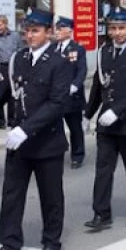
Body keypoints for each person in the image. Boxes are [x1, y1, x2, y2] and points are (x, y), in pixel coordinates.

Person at [0, 9, 68, 250]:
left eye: (36, 31)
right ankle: (10, 246)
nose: (30, 36)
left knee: (50, 196)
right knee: (11, 195)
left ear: (48, 32)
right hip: (19, 142)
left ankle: (51, 242)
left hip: (46, 142)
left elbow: (57, 103)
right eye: (27, 31)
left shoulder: (59, 62)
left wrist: (26, 129)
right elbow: (3, 91)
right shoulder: (19, 58)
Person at [84, 7, 126, 230]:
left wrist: (118, 111)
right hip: (107, 123)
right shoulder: (104, 52)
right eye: (112, 28)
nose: (117, 33)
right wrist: (88, 114)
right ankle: (101, 213)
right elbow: (98, 84)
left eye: (121, 28)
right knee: (103, 169)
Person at [53, 17, 87, 169]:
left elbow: (82, 70)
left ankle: (77, 155)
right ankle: (58, 150)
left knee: (75, 127)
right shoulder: (53, 48)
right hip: (56, 95)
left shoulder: (77, 49)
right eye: (57, 28)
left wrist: (75, 86)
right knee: (54, 126)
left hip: (72, 96)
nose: (57, 31)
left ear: (70, 31)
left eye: (61, 28)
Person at [0, 15, 24, 130]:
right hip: (2, 67)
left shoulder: (15, 36)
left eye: (0, 25)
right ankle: (0, 121)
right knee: (0, 95)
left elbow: (21, 50)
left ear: (6, 24)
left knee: (12, 94)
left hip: (13, 66)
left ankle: (11, 120)